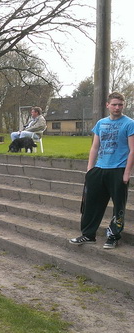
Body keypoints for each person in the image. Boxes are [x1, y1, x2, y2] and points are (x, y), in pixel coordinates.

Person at [69, 92, 134, 249]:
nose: (117, 107)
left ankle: (113, 236)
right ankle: (88, 234)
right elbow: (95, 147)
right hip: (99, 169)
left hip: (118, 169)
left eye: (120, 104)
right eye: (114, 104)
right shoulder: (100, 123)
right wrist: (90, 169)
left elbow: (133, 150)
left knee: (118, 206)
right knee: (91, 204)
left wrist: (127, 173)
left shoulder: (129, 123)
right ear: (108, 105)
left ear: (123, 106)